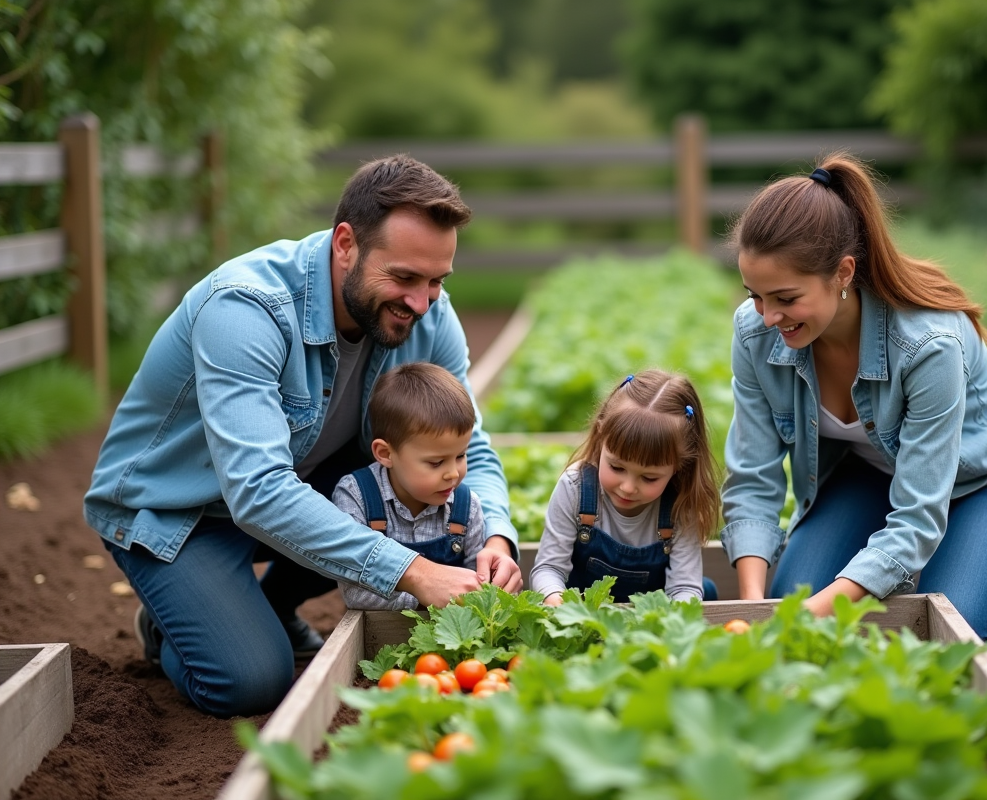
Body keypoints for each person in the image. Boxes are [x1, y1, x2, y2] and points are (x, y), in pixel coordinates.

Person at [84, 155, 522, 717]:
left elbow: (472, 444)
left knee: (415, 472)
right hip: (176, 515)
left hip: (296, 487)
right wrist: (414, 571)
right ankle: (173, 622)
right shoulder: (247, 309)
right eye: (405, 277)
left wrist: (499, 538)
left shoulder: (428, 314)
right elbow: (259, 490)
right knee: (251, 684)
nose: (422, 301)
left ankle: (266, 603)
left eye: (437, 280)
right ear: (346, 245)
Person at [721, 152, 987, 643]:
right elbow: (753, 476)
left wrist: (813, 614)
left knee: (948, 637)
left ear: (843, 273)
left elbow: (919, 515)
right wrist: (755, 608)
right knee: (794, 593)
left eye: (786, 298)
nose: (767, 316)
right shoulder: (755, 332)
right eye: (755, 294)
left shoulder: (927, 346)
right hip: (874, 471)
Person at [530, 369, 721, 604]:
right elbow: (548, 569)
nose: (628, 487)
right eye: (617, 468)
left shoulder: (680, 505)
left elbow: (684, 587)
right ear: (602, 438)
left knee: (705, 590)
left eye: (649, 478)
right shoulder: (575, 488)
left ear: (679, 467)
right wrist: (557, 601)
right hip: (581, 616)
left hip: (650, 624)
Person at [332, 363, 486, 611]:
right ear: (385, 453)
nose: (453, 474)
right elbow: (355, 593)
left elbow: (478, 583)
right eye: (436, 462)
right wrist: (427, 597)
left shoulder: (466, 506)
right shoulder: (357, 496)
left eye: (461, 455)